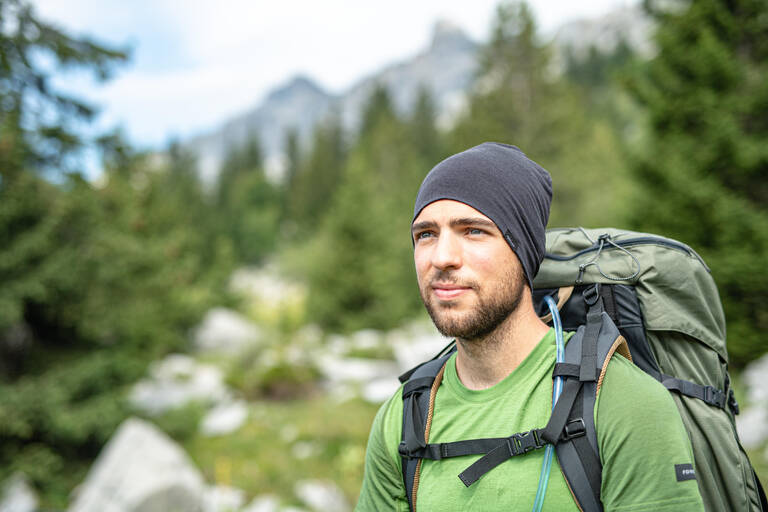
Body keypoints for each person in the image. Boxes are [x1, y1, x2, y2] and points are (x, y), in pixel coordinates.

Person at [355, 142, 705, 511]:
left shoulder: (621, 400)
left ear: (523, 251)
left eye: (473, 230)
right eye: (425, 234)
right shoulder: (404, 417)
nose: (442, 257)